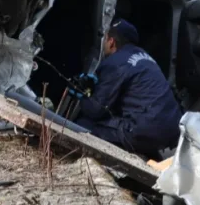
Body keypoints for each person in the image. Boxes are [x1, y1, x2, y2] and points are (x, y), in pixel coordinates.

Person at [72, 19, 184, 160]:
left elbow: (96, 109)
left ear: (111, 41)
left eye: (105, 39)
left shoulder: (114, 63)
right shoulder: (148, 59)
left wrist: (81, 96)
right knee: (134, 130)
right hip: (171, 130)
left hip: (144, 128)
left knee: (84, 125)